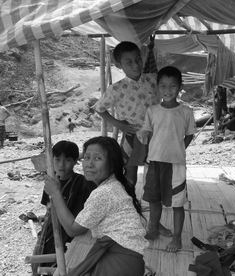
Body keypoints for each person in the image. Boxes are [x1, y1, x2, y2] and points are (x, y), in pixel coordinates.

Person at [44, 136, 148, 275]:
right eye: (86, 158)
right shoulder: (113, 185)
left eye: (97, 158)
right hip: (127, 260)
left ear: (112, 164)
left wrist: (56, 194)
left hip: (121, 263)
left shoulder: (104, 192)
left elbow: (73, 230)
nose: (89, 164)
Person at [137, 66, 196, 252]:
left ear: (180, 87)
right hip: (154, 162)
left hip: (176, 165)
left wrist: (178, 150)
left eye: (172, 86)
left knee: (177, 204)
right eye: (163, 86)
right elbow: (148, 129)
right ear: (157, 87)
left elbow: (189, 135)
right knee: (154, 200)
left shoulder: (186, 111)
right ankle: (153, 228)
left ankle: (177, 238)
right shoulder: (152, 110)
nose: (167, 90)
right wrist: (144, 134)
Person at [95, 41, 159, 189]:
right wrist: (118, 124)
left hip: (156, 134)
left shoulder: (154, 79)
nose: (135, 65)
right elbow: (99, 108)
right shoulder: (116, 89)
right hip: (132, 135)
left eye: (138, 59)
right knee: (130, 173)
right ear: (119, 65)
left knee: (155, 173)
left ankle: (155, 203)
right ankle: (131, 203)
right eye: (128, 62)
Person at [33, 141, 96, 273]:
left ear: (75, 162)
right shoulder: (50, 183)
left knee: (65, 267)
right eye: (57, 159)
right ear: (52, 160)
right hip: (51, 232)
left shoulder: (84, 184)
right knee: (39, 264)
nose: (61, 165)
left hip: (73, 235)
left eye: (67, 160)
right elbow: (48, 211)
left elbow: (83, 218)